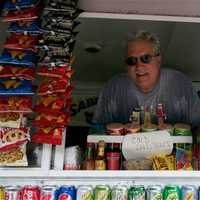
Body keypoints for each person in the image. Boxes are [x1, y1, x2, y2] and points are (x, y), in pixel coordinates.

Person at [93, 30, 200, 129]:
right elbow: (97, 131)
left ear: (158, 60)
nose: (139, 67)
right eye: (131, 61)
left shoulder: (180, 84)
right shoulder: (113, 88)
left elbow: (197, 128)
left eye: (145, 58)